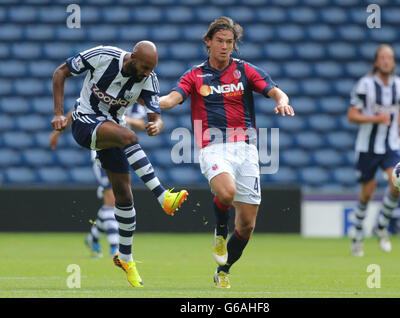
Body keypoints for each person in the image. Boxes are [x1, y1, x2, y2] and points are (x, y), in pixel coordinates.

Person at [159, 17, 294, 288]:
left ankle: (224, 270)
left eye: (229, 42)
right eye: (219, 41)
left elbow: (276, 92)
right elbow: (171, 99)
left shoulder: (245, 71)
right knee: (226, 192)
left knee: (246, 225)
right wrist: (151, 103)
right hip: (213, 147)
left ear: (234, 45)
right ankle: (220, 232)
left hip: (246, 149)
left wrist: (282, 101)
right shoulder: (194, 75)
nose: (224, 47)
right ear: (208, 42)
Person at [51, 41, 188, 287]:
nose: (147, 73)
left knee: (124, 196)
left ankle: (125, 258)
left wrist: (156, 125)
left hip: (112, 130)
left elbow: (156, 117)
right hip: (84, 122)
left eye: (151, 68)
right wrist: (59, 113)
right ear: (133, 57)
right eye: (145, 67)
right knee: (129, 137)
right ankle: (162, 196)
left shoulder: (149, 79)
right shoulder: (103, 56)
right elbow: (61, 72)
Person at [49, 103, 147, 258]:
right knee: (111, 199)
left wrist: (125, 118)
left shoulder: (134, 99)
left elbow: (141, 123)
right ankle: (115, 248)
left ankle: (93, 238)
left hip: (121, 152)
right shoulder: (107, 90)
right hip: (101, 151)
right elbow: (77, 109)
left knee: (114, 201)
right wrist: (58, 132)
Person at [347, 44, 400, 257]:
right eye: (382, 57)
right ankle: (357, 235)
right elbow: (352, 115)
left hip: (391, 145)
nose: (386, 61)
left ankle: (381, 226)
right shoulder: (364, 85)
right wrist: (375, 118)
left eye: (389, 57)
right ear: (376, 61)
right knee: (367, 193)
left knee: (397, 183)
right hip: (368, 147)